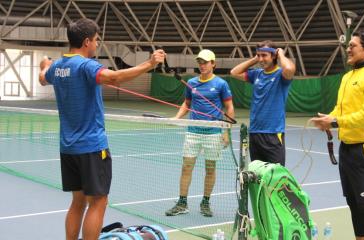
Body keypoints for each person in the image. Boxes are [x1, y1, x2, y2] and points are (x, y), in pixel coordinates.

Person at [38, 18, 165, 240]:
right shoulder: (86, 65)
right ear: (87, 42)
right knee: (98, 202)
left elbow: (42, 78)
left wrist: (44, 65)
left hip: (68, 148)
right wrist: (150, 63)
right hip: (91, 147)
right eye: (96, 40)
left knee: (77, 202)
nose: (97, 44)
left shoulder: (57, 67)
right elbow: (114, 78)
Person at [310, 29, 364, 240]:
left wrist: (336, 122)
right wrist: (329, 119)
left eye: (352, 45)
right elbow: (341, 109)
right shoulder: (348, 76)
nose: (348, 48)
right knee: (354, 205)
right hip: (346, 149)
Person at [165, 49, 234, 217]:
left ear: (213, 64)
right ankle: (182, 203)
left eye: (205, 62)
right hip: (193, 131)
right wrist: (177, 117)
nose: (202, 65)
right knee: (186, 167)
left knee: (210, 169)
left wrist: (226, 131)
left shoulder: (221, 84)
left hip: (213, 133)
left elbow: (229, 108)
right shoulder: (192, 83)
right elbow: (186, 103)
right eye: (200, 62)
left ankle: (205, 202)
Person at [230, 40, 296, 166]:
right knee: (258, 175)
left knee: (275, 177)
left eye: (264, 55)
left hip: (273, 134)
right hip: (255, 133)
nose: (261, 59)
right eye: (258, 55)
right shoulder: (256, 74)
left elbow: (289, 68)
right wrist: (255, 59)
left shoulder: (281, 75)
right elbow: (234, 72)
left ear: (274, 56)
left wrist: (281, 54)